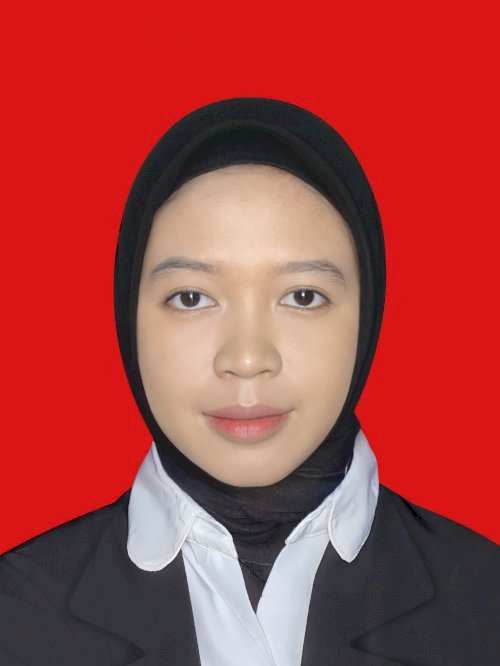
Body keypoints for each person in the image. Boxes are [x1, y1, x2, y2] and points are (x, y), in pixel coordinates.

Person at [0, 97, 498, 665]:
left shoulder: (486, 603)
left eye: (303, 296)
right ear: (128, 316)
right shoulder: (17, 611)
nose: (246, 358)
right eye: (191, 298)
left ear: (368, 318)